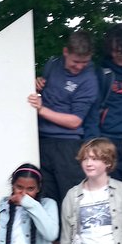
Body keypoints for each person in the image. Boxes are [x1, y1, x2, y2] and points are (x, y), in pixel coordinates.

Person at [28, 32, 100, 203]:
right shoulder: (52, 64)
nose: (80, 67)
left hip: (68, 145)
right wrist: (37, 84)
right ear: (65, 52)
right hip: (41, 141)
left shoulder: (89, 80)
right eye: (76, 62)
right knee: (46, 198)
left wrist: (41, 110)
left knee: (71, 198)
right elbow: (41, 90)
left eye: (85, 62)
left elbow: (75, 121)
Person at [82, 24, 122, 181]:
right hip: (109, 140)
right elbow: (92, 111)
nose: (116, 54)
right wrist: (93, 143)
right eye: (113, 50)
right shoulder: (102, 73)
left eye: (121, 50)